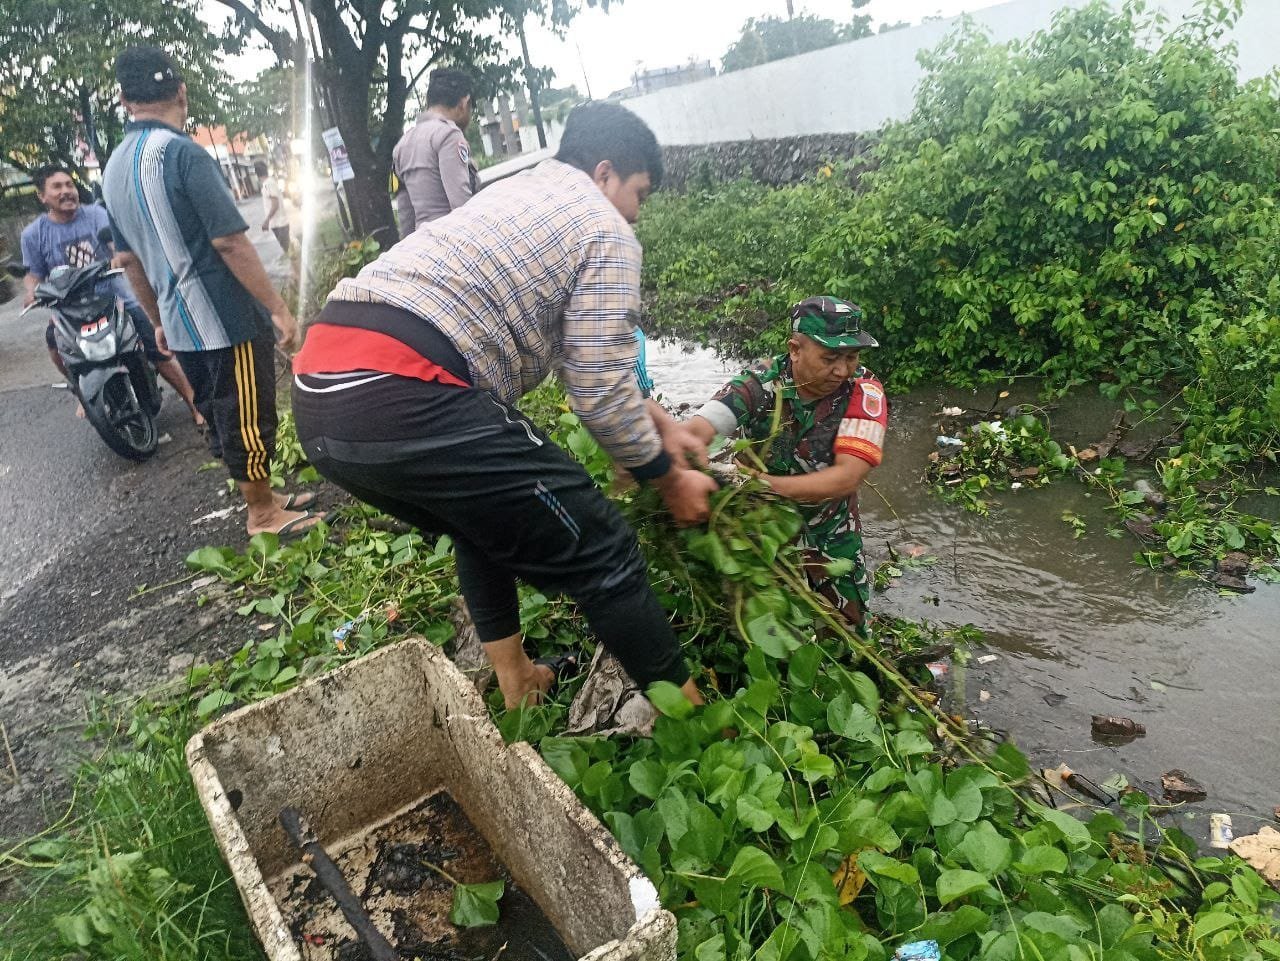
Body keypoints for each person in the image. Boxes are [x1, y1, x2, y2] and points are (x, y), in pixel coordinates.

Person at [291, 101, 717, 710]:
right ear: (604, 175)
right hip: (397, 387)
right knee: (602, 544)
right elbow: (596, 389)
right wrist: (667, 477)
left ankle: (518, 681)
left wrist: (661, 427)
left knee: (480, 517)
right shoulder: (605, 227)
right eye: (639, 193)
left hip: (320, 389)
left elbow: (594, 359)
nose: (637, 213)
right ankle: (696, 719)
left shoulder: (518, 193)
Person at [101, 46, 319, 539]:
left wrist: (156, 318)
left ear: (123, 100)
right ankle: (262, 514)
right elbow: (229, 241)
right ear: (181, 90)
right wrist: (279, 308)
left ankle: (264, 498)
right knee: (246, 410)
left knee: (221, 410)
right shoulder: (182, 153)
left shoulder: (112, 170)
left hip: (179, 324)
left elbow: (129, 260)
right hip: (223, 316)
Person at [685, 297, 888, 629]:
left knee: (846, 626)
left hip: (829, 527)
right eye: (830, 358)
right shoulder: (759, 384)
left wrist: (758, 484)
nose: (841, 370)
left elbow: (847, 477)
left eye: (851, 357)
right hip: (761, 527)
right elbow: (696, 432)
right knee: (756, 621)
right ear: (795, 349)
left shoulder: (864, 391)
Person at [20, 164, 202, 425]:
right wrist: (32, 292)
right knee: (54, 343)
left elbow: (116, 246)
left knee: (152, 343)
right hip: (69, 309)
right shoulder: (33, 235)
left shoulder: (96, 215)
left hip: (114, 299)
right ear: (42, 196)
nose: (66, 191)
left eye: (69, 185)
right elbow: (33, 274)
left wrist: (118, 257)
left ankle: (193, 401)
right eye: (57, 187)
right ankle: (80, 390)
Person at [391, 67, 479, 237]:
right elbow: (462, 204)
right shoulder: (449, 135)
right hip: (452, 242)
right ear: (464, 103)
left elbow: (405, 214)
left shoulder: (401, 146)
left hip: (424, 246)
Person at [255, 160, 289, 252]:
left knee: (289, 252)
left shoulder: (268, 184)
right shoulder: (268, 183)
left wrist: (266, 221)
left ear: (257, 174)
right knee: (288, 251)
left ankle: (298, 266)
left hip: (280, 224)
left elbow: (275, 204)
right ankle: (296, 266)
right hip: (278, 224)